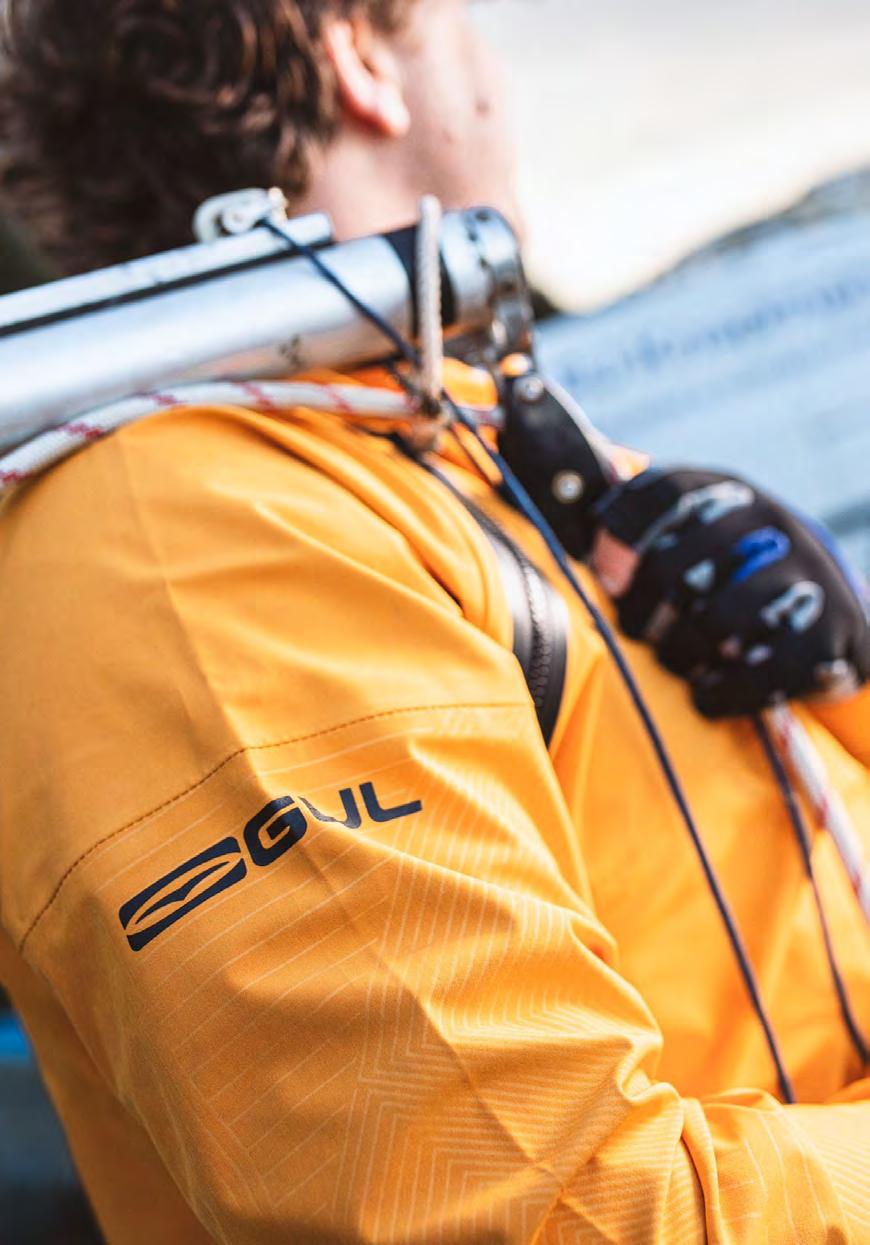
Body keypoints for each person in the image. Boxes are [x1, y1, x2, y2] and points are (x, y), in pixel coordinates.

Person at [0, 2, 867, 1242]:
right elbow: (550, 1212)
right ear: (360, 60)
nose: (497, 85)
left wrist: (849, 691)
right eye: (465, 31)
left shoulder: (433, 458)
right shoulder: (187, 539)